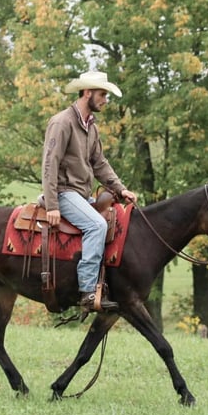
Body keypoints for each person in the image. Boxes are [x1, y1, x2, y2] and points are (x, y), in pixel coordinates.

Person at [41, 71, 137, 312]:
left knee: (115, 220)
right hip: (64, 193)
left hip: (82, 195)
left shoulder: (91, 127)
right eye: (103, 94)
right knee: (97, 226)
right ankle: (87, 291)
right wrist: (52, 205)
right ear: (87, 93)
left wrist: (120, 189)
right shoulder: (62, 122)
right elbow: (49, 164)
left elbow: (99, 163)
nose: (106, 100)